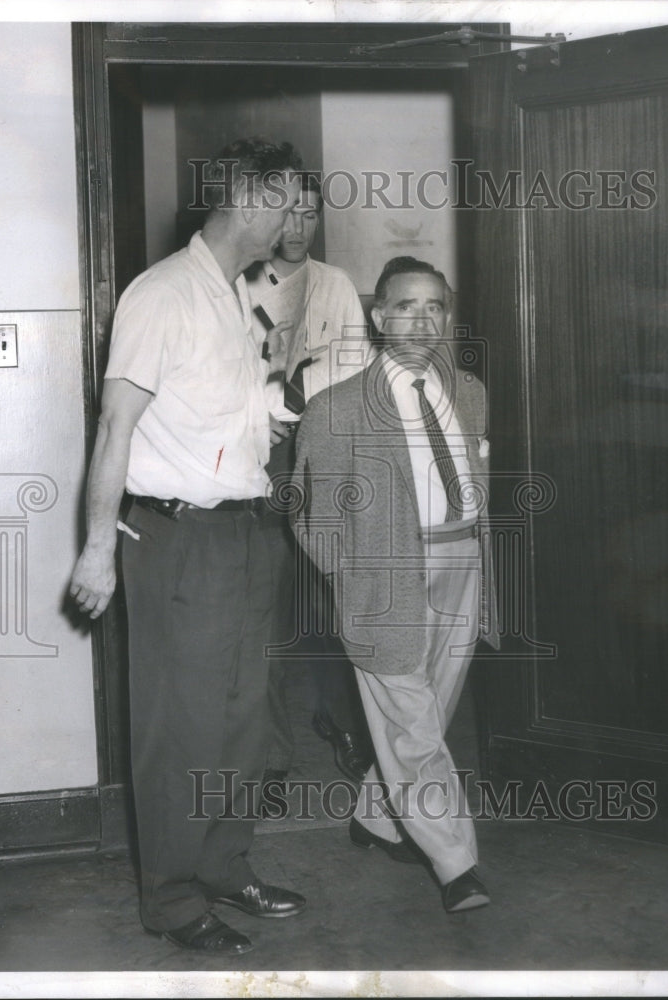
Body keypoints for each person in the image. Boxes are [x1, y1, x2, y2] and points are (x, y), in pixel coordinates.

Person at [69, 138, 309, 956]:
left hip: (245, 534)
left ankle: (223, 864)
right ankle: (171, 899)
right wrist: (98, 548)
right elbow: (116, 425)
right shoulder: (162, 294)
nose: (295, 215)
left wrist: (280, 394)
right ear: (245, 191)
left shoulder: (241, 298)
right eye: (286, 197)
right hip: (178, 539)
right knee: (181, 727)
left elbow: (231, 418)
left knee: (242, 722)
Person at [290, 256, 500, 914]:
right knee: (412, 726)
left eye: (434, 307)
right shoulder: (334, 410)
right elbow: (308, 515)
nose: (421, 320)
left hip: (461, 563)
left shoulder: (468, 391)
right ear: (379, 318)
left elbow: (475, 477)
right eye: (406, 306)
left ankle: (376, 817)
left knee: (427, 715)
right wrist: (353, 580)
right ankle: (456, 863)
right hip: (385, 583)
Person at [245, 174, 374, 794]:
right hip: (255, 459)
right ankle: (269, 755)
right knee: (264, 607)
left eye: (310, 215)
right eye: (288, 215)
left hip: (320, 451)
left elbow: (349, 373)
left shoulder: (337, 285)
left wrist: (285, 397)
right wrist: (267, 406)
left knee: (330, 596)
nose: (298, 229)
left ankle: (339, 719)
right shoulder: (237, 282)